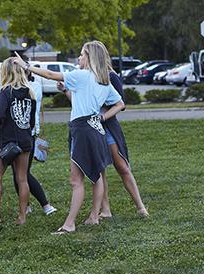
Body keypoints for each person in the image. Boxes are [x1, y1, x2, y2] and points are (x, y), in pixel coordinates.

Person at [13, 41, 124, 234]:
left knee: (76, 180)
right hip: (96, 128)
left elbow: (49, 74)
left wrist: (26, 66)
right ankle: (94, 217)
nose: (79, 58)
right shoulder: (103, 79)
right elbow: (119, 103)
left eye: (82, 54)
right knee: (95, 175)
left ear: (90, 58)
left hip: (83, 129)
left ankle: (69, 224)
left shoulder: (81, 75)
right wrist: (102, 117)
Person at [0, 58, 36, 231]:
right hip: (26, 140)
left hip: (7, 142)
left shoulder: (6, 92)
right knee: (22, 178)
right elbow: (32, 121)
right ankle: (22, 216)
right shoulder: (30, 92)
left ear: (6, 72)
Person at [96, 64, 149, 219]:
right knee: (100, 171)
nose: (79, 58)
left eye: (82, 54)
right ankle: (105, 210)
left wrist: (103, 111)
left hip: (108, 128)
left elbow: (121, 104)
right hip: (93, 129)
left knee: (122, 167)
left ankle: (140, 207)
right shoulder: (86, 77)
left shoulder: (110, 76)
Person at [14, 59, 57, 216]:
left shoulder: (30, 87)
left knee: (22, 173)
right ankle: (26, 205)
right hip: (23, 133)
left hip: (26, 133)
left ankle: (44, 205)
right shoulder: (26, 86)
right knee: (19, 172)